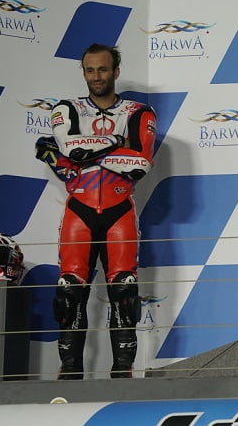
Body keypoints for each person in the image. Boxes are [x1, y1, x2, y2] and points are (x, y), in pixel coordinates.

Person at [39, 43, 156, 379]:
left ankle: (123, 376)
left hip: (120, 211)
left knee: (125, 293)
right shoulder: (67, 108)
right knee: (68, 294)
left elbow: (139, 164)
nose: (96, 76)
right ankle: (69, 377)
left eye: (103, 69)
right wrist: (117, 144)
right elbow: (69, 147)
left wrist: (84, 154)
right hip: (80, 211)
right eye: (90, 70)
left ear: (116, 71)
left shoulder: (139, 112)